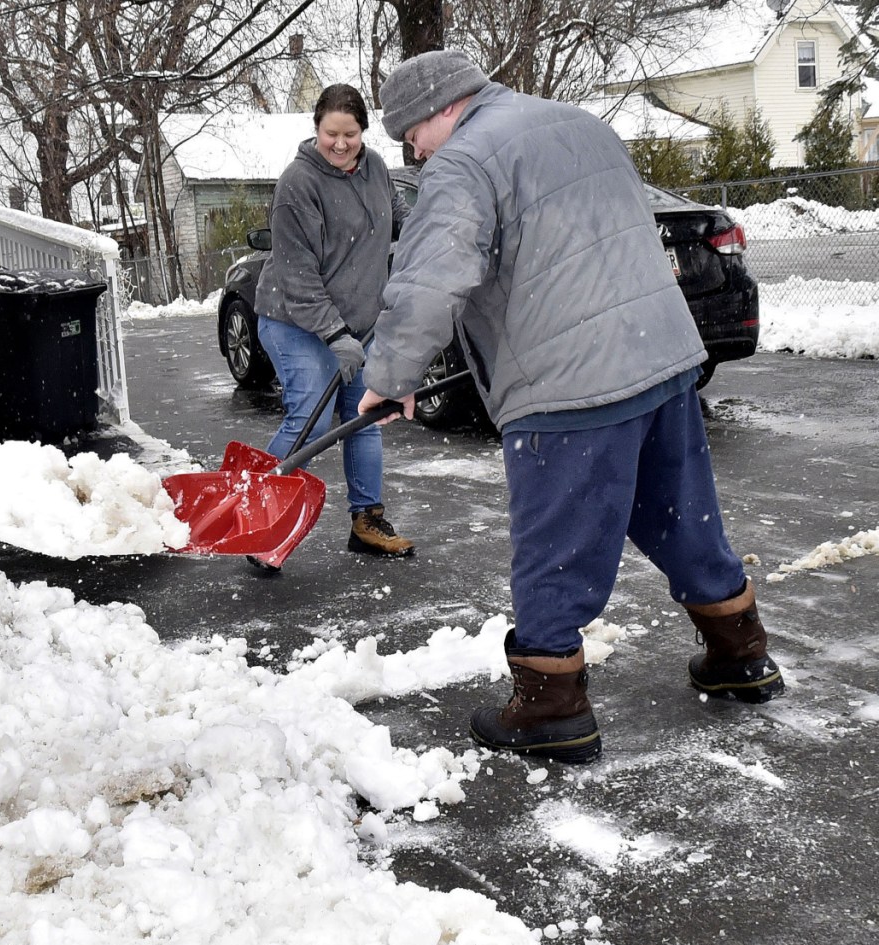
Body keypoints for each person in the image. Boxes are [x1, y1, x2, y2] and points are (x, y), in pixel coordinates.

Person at [359, 50, 784, 763]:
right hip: (661, 354)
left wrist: (391, 374)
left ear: (438, 110)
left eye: (412, 135)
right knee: (679, 512)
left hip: (569, 380)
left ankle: (551, 705)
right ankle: (740, 654)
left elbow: (431, 279)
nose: (416, 151)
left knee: (555, 546)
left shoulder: (463, 162)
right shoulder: (578, 122)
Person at [254, 83, 415, 561]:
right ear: (316, 129)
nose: (341, 144)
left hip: (356, 326)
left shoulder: (376, 169)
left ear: (363, 132)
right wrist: (334, 334)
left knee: (365, 417)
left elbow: (401, 219)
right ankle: (260, 519)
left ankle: (367, 521)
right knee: (311, 416)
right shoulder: (297, 185)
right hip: (294, 320)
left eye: (350, 134)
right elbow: (295, 273)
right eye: (331, 134)